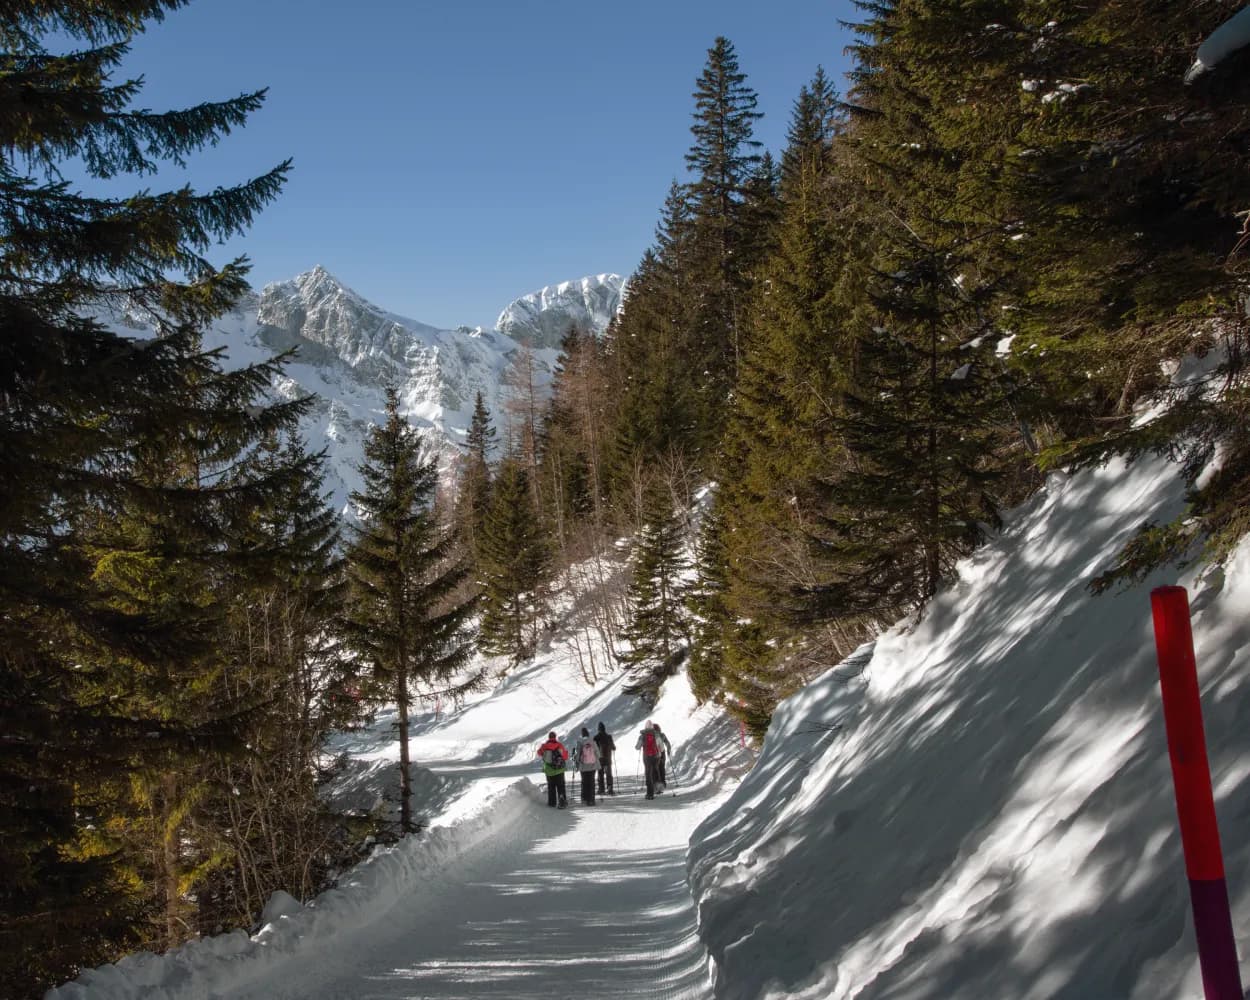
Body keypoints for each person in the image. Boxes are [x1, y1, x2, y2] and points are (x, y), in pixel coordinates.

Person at [536, 731, 569, 808]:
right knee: (561, 785)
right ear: (555, 737)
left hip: (549, 770)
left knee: (551, 786)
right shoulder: (559, 745)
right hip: (559, 769)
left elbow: (539, 753)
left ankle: (552, 802)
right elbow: (565, 757)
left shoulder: (544, 746)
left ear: (549, 737)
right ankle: (562, 800)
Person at [636, 721, 663, 799]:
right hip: (656, 756)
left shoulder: (642, 735)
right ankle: (658, 788)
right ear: (652, 727)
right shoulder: (656, 734)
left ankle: (650, 794)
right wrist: (659, 752)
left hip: (647, 757)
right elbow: (661, 747)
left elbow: (637, 747)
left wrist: (641, 746)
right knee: (655, 771)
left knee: (648, 774)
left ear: (645, 727)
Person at [573, 726, 599, 805]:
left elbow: (577, 756)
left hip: (583, 766)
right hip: (593, 765)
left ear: (582, 734)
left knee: (584, 782)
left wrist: (576, 761)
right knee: (591, 782)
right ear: (588, 734)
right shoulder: (593, 742)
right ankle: (592, 800)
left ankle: (584, 799)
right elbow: (598, 754)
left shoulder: (579, 742)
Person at [593, 722, 616, 796]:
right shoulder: (609, 736)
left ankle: (601, 789)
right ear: (604, 728)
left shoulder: (596, 737)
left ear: (598, 729)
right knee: (609, 774)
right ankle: (610, 788)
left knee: (600, 774)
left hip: (600, 759)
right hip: (608, 759)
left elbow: (594, 749)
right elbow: (613, 748)